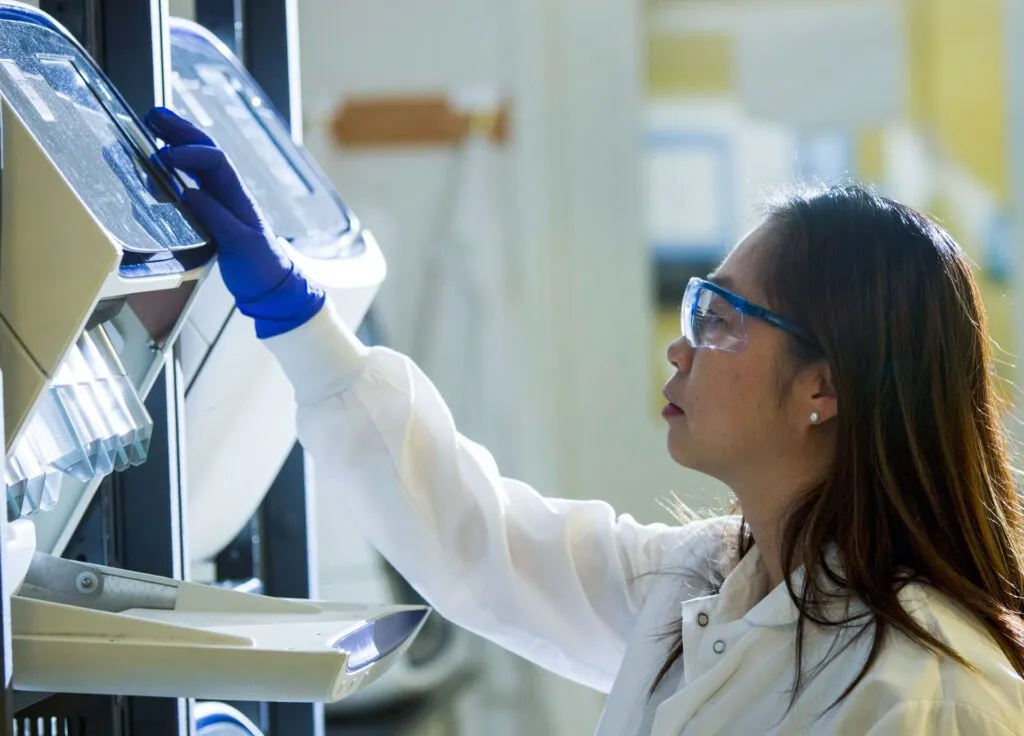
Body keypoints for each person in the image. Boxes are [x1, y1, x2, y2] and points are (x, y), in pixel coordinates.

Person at [146, 106, 1024, 735]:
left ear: (821, 389)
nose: (680, 350)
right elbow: (482, 544)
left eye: (718, 321)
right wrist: (295, 317)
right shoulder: (704, 587)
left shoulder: (932, 693)